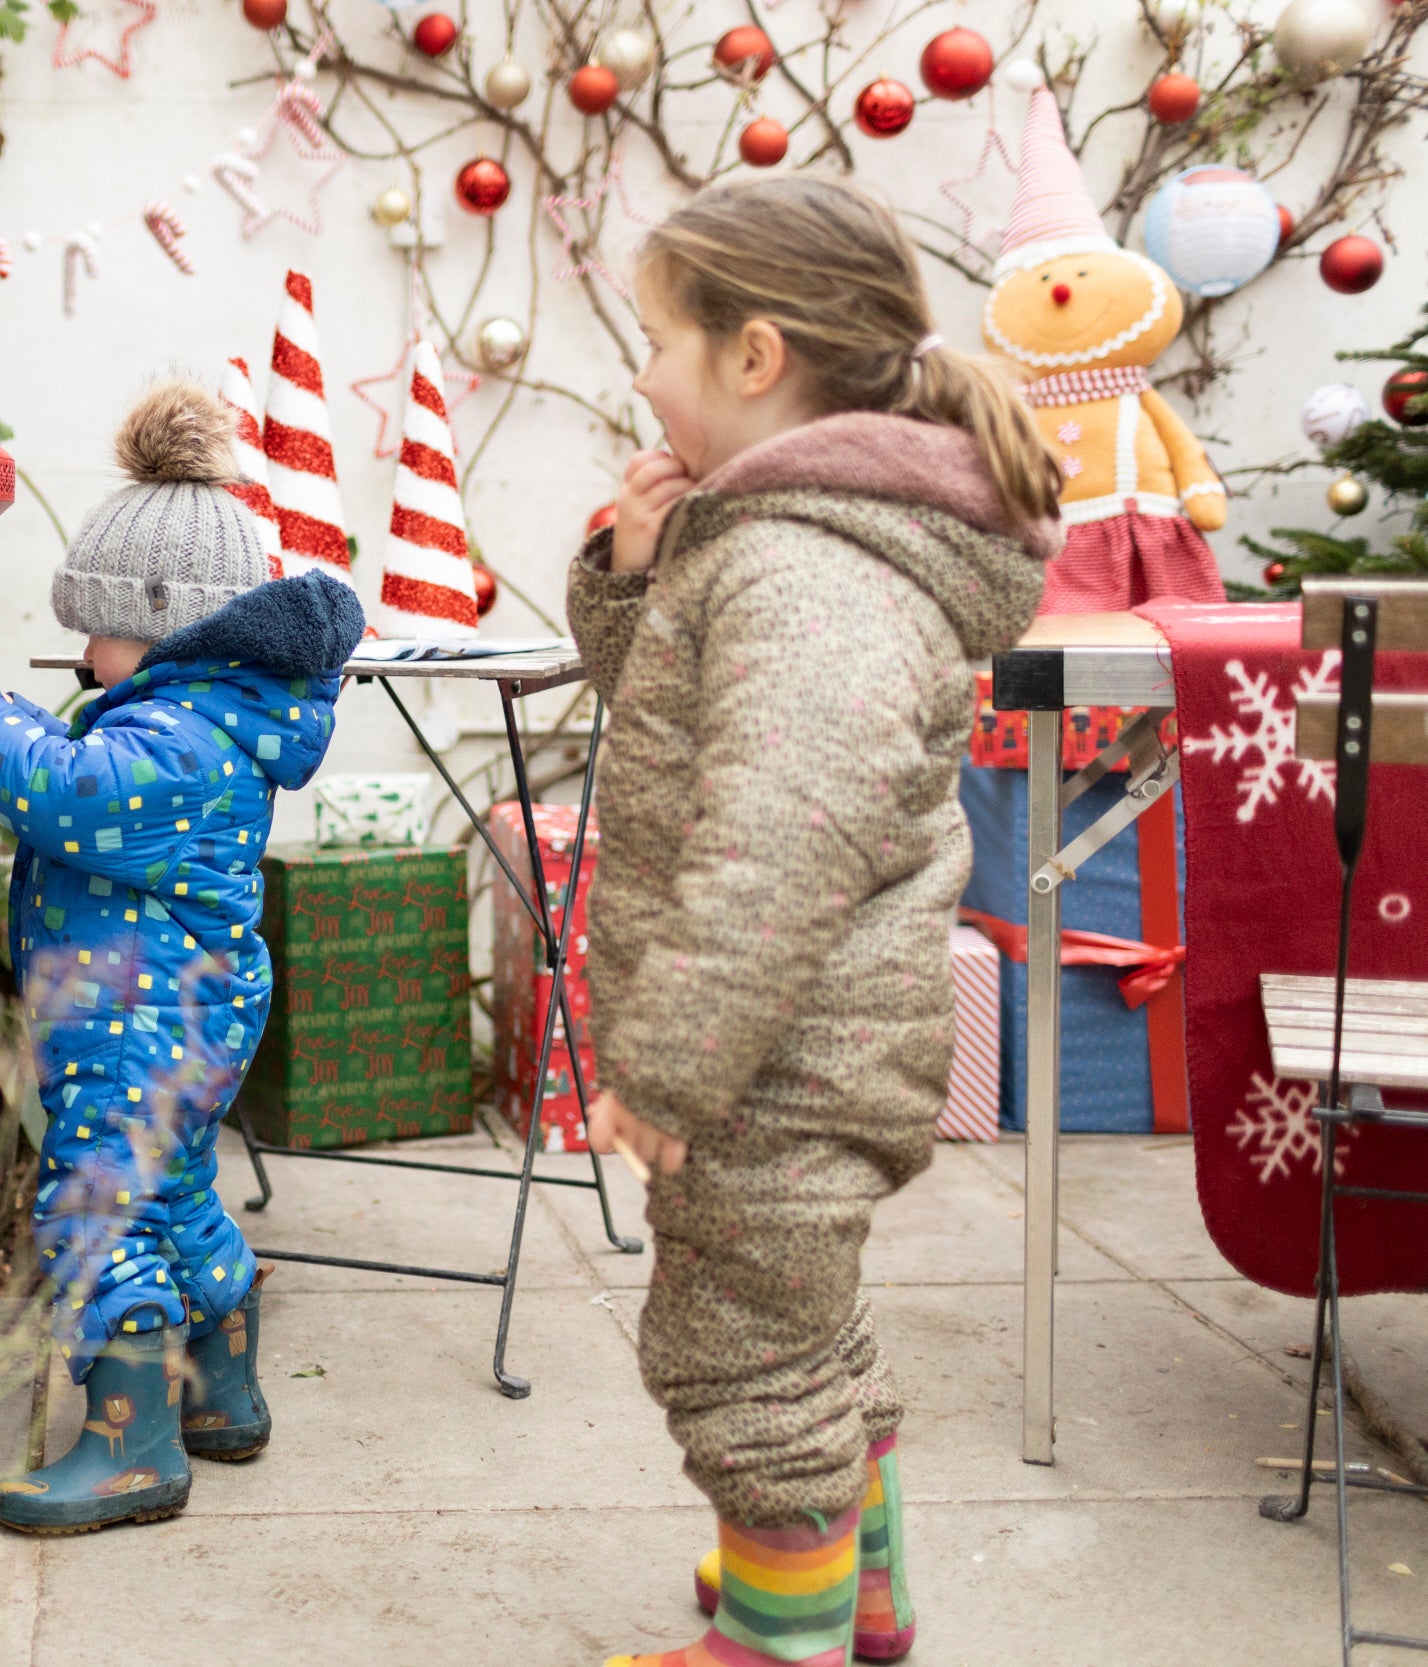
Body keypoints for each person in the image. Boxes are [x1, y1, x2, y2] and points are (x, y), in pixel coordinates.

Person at [570, 176, 1060, 1667]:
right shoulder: (779, 538)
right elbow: (675, 717)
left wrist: (666, 1064)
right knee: (807, 1323)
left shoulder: (810, 567)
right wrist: (632, 578)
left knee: (739, 1348)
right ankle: (859, 1583)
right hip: (794, 1037)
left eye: (658, 338)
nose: (641, 373)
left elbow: (790, 829)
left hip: (775, 1051)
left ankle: (773, 1644)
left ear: (755, 354)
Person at [0, 379, 364, 1535]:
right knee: (171, 1190)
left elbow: (67, 792)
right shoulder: (213, 717)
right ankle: (222, 1393)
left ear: (162, 620)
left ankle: (131, 1445)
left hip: (139, 1013)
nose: (81, 648)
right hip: (179, 1004)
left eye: (97, 625)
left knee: (100, 1205)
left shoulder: (175, 736)